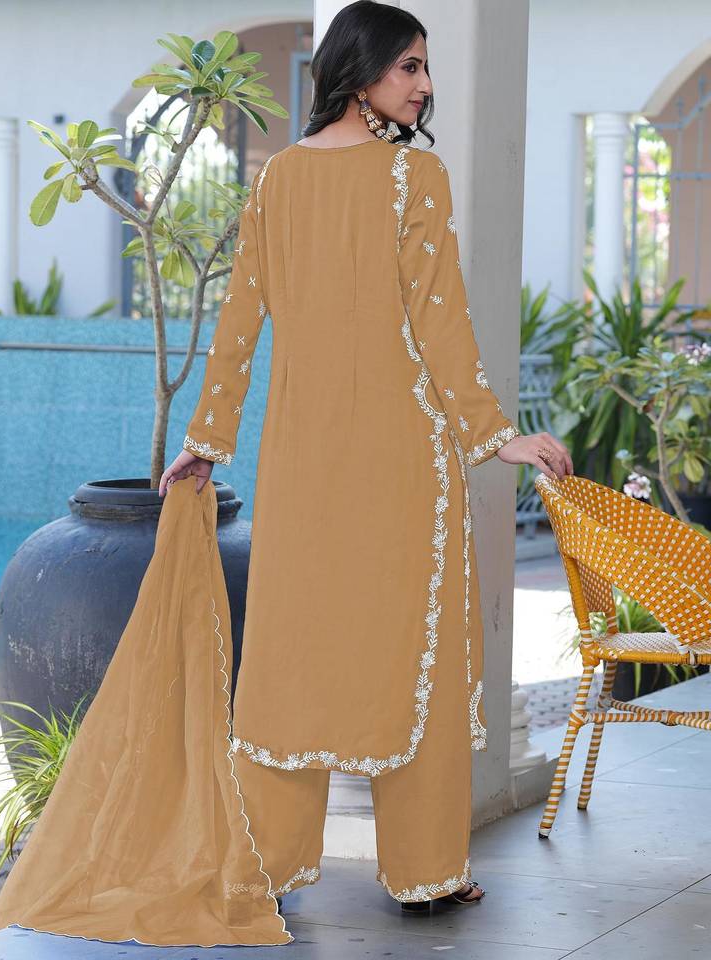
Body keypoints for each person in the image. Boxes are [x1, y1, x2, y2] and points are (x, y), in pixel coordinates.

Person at [160, 0, 573, 917]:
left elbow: (240, 323)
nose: (424, 86)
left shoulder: (278, 179)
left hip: (302, 461)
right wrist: (491, 434)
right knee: (415, 650)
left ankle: (266, 869)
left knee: (291, 655)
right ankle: (425, 872)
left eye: (425, 68)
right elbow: (440, 320)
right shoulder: (413, 176)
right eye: (409, 66)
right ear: (359, 72)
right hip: (402, 459)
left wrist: (207, 439)